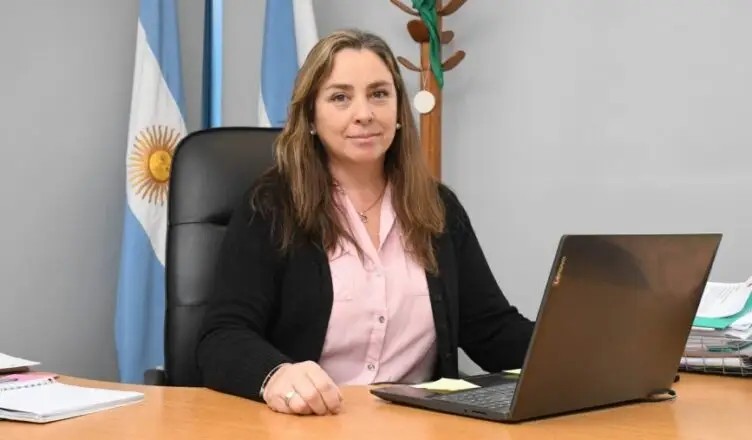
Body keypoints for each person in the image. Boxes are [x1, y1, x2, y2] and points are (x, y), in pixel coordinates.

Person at [196, 28, 534, 416]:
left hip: (419, 426)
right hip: (310, 423)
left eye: (379, 94)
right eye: (340, 97)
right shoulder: (272, 207)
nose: (364, 114)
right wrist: (276, 375)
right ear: (310, 116)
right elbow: (221, 337)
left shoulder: (438, 208)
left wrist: (578, 353)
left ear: (399, 111)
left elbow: (490, 329)